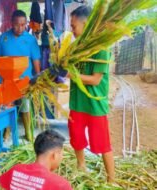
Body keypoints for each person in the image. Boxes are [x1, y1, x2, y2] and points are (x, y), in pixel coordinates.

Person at [68, 5, 115, 183]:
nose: (71, 30)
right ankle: (81, 167)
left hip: (95, 105)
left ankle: (111, 180)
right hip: (77, 103)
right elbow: (67, 68)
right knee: (77, 138)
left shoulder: (101, 47)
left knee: (103, 144)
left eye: (73, 26)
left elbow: (95, 80)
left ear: (86, 24)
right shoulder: (75, 47)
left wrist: (72, 75)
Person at [0, 10, 41, 141]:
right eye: (16, 24)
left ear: (26, 24)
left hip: (25, 81)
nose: (19, 28)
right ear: (11, 23)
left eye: (22, 24)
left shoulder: (31, 40)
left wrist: (38, 79)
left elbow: (36, 61)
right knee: (7, 107)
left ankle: (28, 132)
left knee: (25, 107)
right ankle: (7, 133)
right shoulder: (3, 38)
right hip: (6, 81)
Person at [0, 129, 73, 190]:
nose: (62, 158)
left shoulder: (16, 170)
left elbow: (1, 185)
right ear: (55, 155)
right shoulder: (60, 185)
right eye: (61, 154)